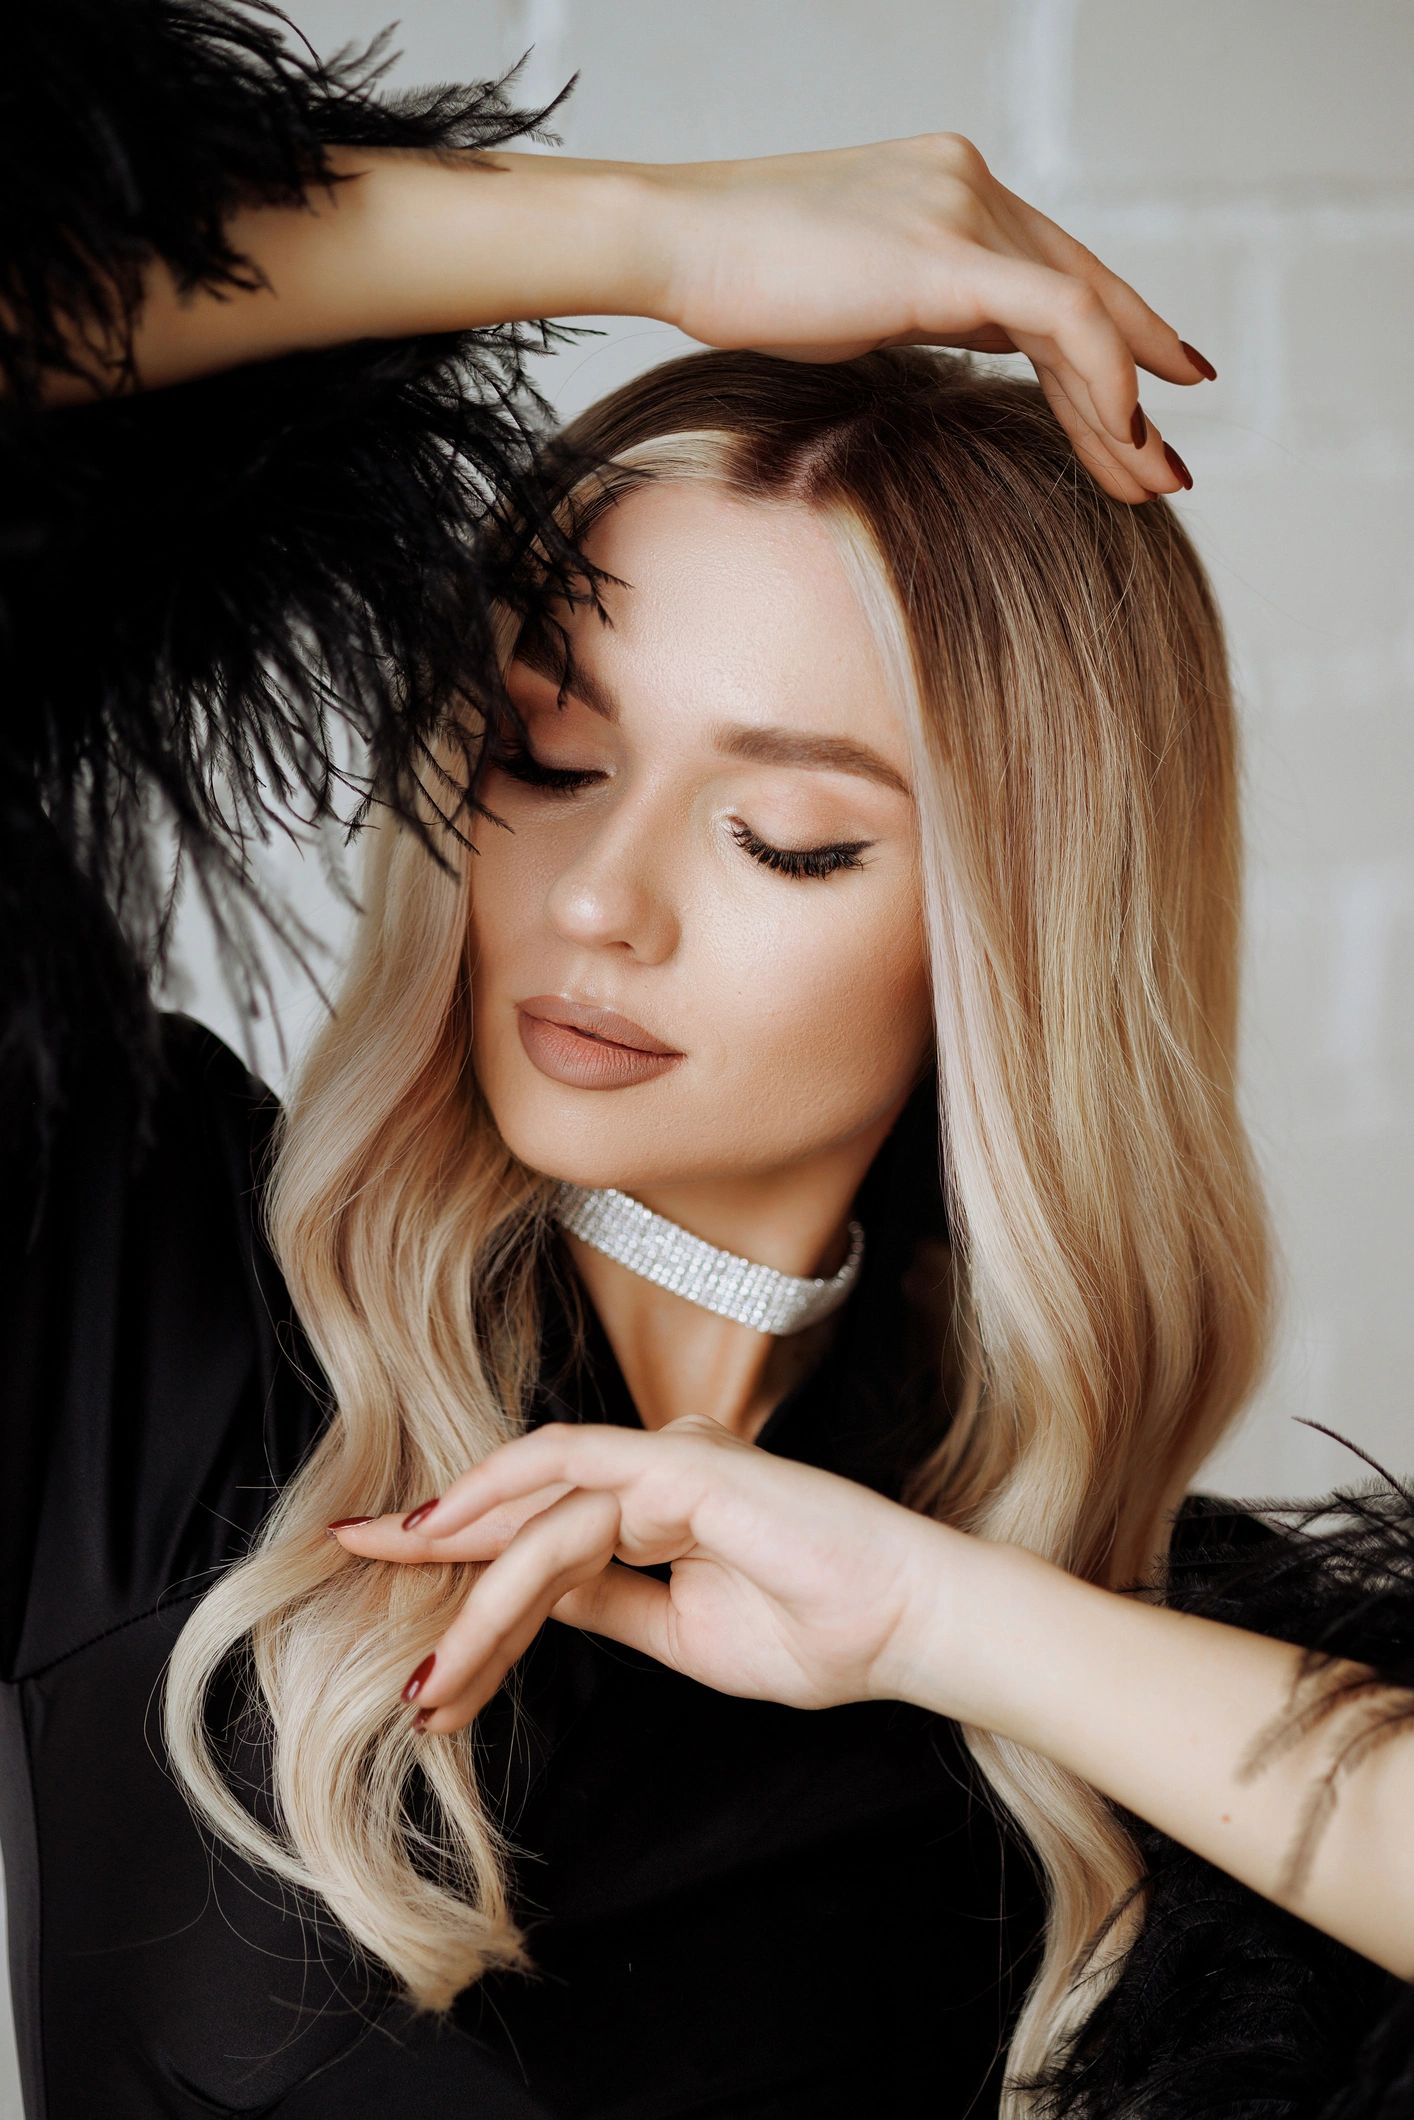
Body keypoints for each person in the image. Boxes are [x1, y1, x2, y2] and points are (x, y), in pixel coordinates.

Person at [3, 4, 1411, 2118]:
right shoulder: (170, 1322)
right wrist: (644, 232)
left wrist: (938, 1620)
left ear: (1006, 941)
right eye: (545, 756)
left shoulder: (1108, 1675)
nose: (597, 902)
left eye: (788, 836)